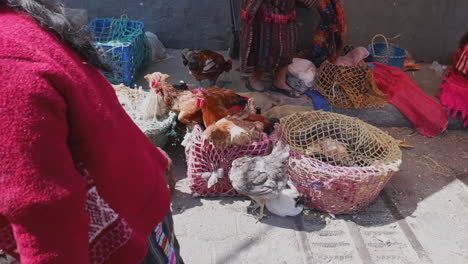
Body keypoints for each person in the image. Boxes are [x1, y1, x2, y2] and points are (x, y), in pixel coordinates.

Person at [0, 1, 183, 263]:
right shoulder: (16, 23)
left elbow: (44, 209)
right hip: (136, 195)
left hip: (124, 229)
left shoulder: (8, 67)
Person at [240, 0, 316, 97]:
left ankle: (279, 82)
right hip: (265, 10)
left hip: (286, 10)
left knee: (286, 46)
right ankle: (255, 78)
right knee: (264, 45)